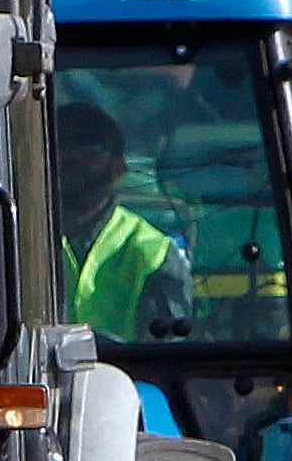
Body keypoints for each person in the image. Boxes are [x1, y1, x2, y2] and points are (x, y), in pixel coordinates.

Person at [53, 98, 194, 339]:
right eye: (60, 144)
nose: (72, 155)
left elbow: (167, 357)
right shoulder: (9, 243)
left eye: (90, 146)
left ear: (120, 169)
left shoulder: (153, 254)